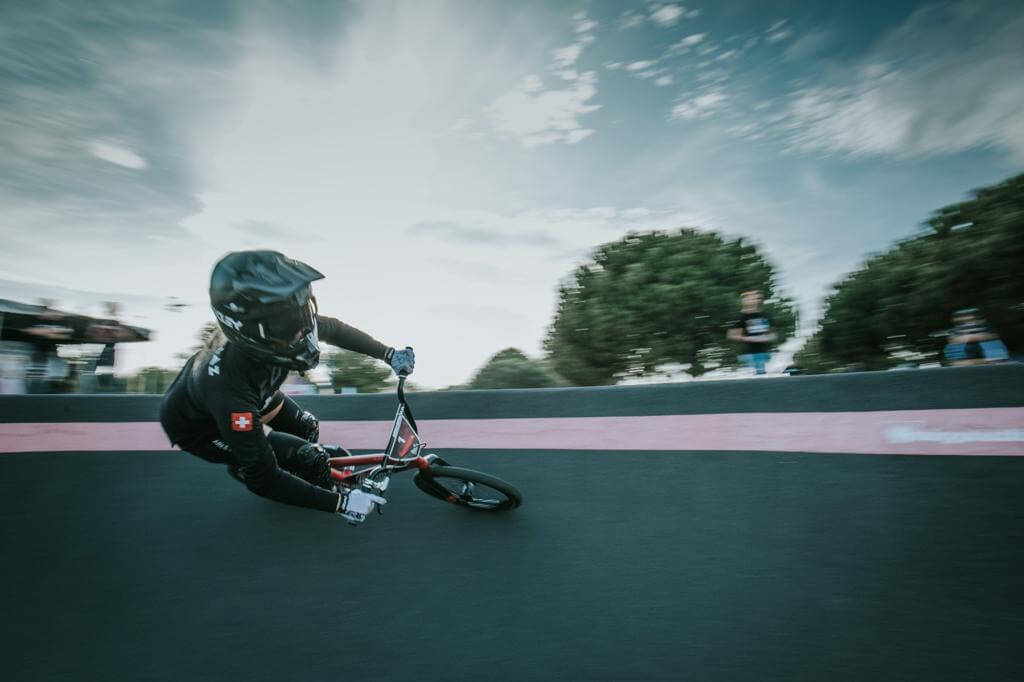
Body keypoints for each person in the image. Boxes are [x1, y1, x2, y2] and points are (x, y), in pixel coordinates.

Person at [159, 250, 415, 523]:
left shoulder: (277, 335)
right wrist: (340, 503)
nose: (305, 328)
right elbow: (264, 479)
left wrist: (389, 354)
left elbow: (336, 329)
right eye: (288, 321)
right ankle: (275, 471)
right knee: (308, 458)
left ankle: (297, 469)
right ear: (250, 331)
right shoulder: (230, 394)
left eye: (302, 310)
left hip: (253, 390)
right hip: (201, 426)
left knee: (306, 428)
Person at [726, 290, 776, 375]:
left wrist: (769, 337)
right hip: (748, 354)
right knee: (754, 382)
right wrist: (751, 338)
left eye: (755, 298)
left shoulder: (764, 315)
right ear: (744, 301)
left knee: (763, 381)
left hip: (764, 353)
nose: (753, 301)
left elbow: (772, 334)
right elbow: (731, 335)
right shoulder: (741, 317)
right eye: (750, 299)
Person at [943, 308, 1008, 366]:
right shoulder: (955, 340)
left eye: (972, 321)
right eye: (963, 322)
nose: (969, 324)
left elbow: (998, 360)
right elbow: (954, 362)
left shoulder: (990, 337)